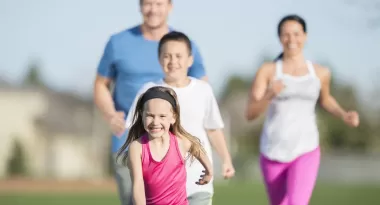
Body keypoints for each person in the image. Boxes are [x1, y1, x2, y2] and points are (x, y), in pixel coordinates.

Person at [93, 0, 207, 204]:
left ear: (170, 6)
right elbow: (101, 84)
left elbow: (203, 88)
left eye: (159, 3)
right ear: (139, 6)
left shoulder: (183, 44)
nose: (153, 9)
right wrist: (110, 114)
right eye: (147, 3)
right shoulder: (118, 43)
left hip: (172, 145)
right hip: (127, 141)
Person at [245, 14, 360, 205]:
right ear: (280, 38)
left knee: (297, 203)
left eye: (297, 34)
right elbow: (250, 113)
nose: (292, 40)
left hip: (306, 148)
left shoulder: (321, 72)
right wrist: (270, 94)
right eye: (286, 34)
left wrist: (344, 114)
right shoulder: (268, 71)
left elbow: (326, 99)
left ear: (305, 36)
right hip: (272, 150)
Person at [125, 31, 235, 205]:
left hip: (197, 181)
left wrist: (226, 160)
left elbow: (213, 129)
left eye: (179, 56)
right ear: (159, 58)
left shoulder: (203, 89)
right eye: (167, 56)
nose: (173, 61)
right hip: (157, 188)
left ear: (190, 59)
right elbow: (134, 127)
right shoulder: (149, 89)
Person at [117, 86, 213, 205]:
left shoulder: (181, 142)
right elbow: (138, 184)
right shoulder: (137, 147)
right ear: (142, 115)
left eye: (162, 116)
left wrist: (209, 171)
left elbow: (197, 148)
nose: (155, 122)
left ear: (173, 117)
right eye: (150, 115)